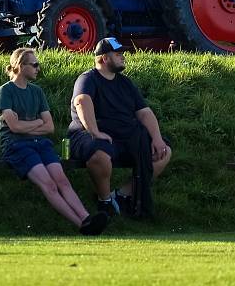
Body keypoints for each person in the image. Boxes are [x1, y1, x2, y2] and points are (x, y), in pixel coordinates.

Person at [0, 48, 108, 235]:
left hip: (41, 143)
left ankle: (87, 217)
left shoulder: (37, 92)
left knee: (62, 180)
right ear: (20, 66)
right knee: (48, 184)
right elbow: (15, 129)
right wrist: (37, 122)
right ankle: (81, 225)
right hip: (17, 146)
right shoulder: (4, 92)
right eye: (34, 65)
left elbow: (49, 127)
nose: (38, 68)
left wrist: (29, 124)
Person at [68, 37, 172, 219]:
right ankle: (105, 201)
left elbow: (144, 113)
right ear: (104, 58)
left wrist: (156, 138)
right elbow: (82, 101)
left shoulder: (126, 83)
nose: (123, 57)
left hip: (124, 137)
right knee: (100, 154)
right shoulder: (87, 79)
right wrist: (94, 131)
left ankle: (121, 195)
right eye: (118, 54)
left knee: (164, 152)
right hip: (87, 136)